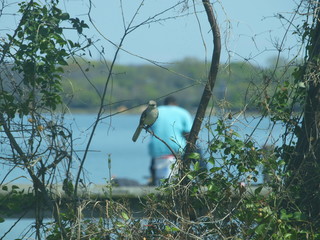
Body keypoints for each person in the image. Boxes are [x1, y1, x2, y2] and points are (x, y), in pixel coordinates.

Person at [148, 96, 193, 186]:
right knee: (197, 151)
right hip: (177, 148)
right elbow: (189, 134)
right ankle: (203, 178)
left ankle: (153, 182)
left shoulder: (155, 111)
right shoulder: (183, 112)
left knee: (154, 167)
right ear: (176, 104)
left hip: (157, 148)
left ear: (164, 104)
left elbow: (149, 128)